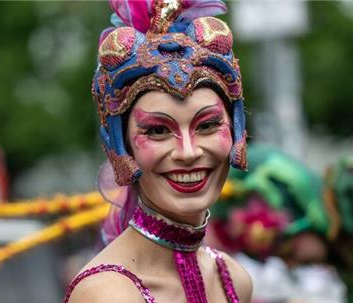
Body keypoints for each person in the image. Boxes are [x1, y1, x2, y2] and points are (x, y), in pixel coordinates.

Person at [64, 0, 252, 302]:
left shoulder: (233, 278)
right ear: (121, 146)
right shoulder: (108, 294)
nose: (188, 152)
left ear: (236, 130)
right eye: (158, 130)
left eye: (207, 125)